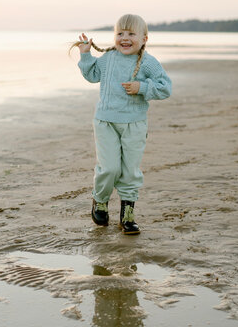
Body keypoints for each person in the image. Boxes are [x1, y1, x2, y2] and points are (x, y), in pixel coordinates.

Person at [71, 14, 172, 235]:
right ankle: (100, 200)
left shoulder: (148, 62)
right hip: (105, 121)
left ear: (145, 38)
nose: (124, 38)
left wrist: (142, 87)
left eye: (131, 34)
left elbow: (165, 88)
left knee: (129, 171)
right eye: (120, 33)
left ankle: (127, 214)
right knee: (110, 168)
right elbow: (92, 75)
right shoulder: (108, 58)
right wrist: (86, 54)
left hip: (134, 125)